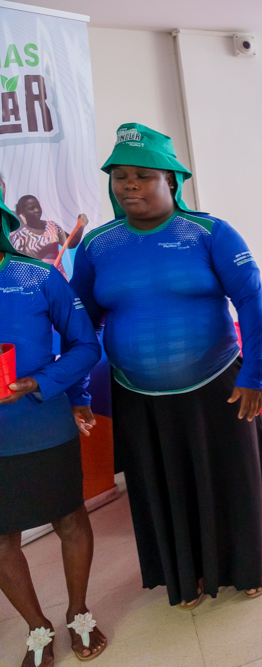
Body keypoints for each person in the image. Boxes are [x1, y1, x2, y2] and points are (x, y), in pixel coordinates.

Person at [68, 123, 262, 609]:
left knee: (230, 476)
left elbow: (252, 303)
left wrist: (255, 373)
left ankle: (249, 559)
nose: (128, 184)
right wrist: (78, 391)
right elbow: (82, 322)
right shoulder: (97, 246)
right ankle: (187, 570)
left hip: (217, 380)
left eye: (141, 175)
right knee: (165, 482)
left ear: (171, 181)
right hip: (138, 392)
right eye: (119, 176)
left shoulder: (210, 233)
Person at [0, 200, 106, 666]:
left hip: (42, 424)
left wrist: (36, 383)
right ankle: (36, 626)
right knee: (1, 539)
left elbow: (86, 345)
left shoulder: (39, 278)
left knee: (69, 518)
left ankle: (78, 610)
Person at [11, 195, 88, 276]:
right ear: (23, 213)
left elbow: (71, 243)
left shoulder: (52, 226)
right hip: (36, 280)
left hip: (58, 277)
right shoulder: (20, 237)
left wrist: (81, 226)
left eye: (38, 206)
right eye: (31, 208)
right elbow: (17, 264)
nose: (37, 210)